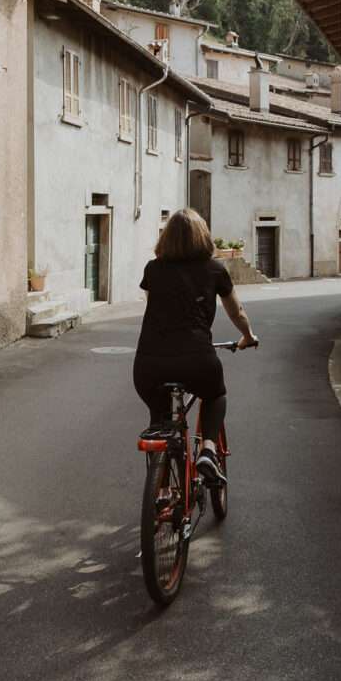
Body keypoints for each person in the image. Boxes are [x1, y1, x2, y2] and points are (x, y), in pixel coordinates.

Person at [134, 208, 258, 485]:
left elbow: (154, 302)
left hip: (148, 364)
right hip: (196, 359)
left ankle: (160, 487)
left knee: (161, 419)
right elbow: (236, 312)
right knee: (215, 395)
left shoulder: (153, 269)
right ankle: (208, 451)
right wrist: (248, 336)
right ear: (204, 236)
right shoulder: (215, 269)